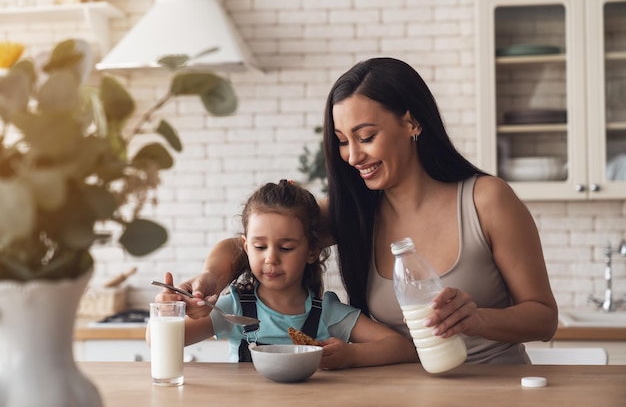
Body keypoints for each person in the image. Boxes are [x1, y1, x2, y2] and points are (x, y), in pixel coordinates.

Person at [179, 58, 559, 365]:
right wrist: (211, 276)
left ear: (411, 123)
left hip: (495, 389)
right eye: (343, 141)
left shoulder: (486, 200)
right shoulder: (354, 212)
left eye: (366, 137)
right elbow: (249, 244)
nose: (353, 156)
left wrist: (479, 319)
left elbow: (543, 318)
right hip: (402, 391)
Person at [147, 179, 418, 369]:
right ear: (245, 247)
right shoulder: (232, 307)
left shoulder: (328, 313)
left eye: (286, 247)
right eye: (259, 246)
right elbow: (158, 342)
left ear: (312, 251)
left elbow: (403, 347)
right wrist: (167, 311)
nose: (271, 258)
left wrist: (351, 355)